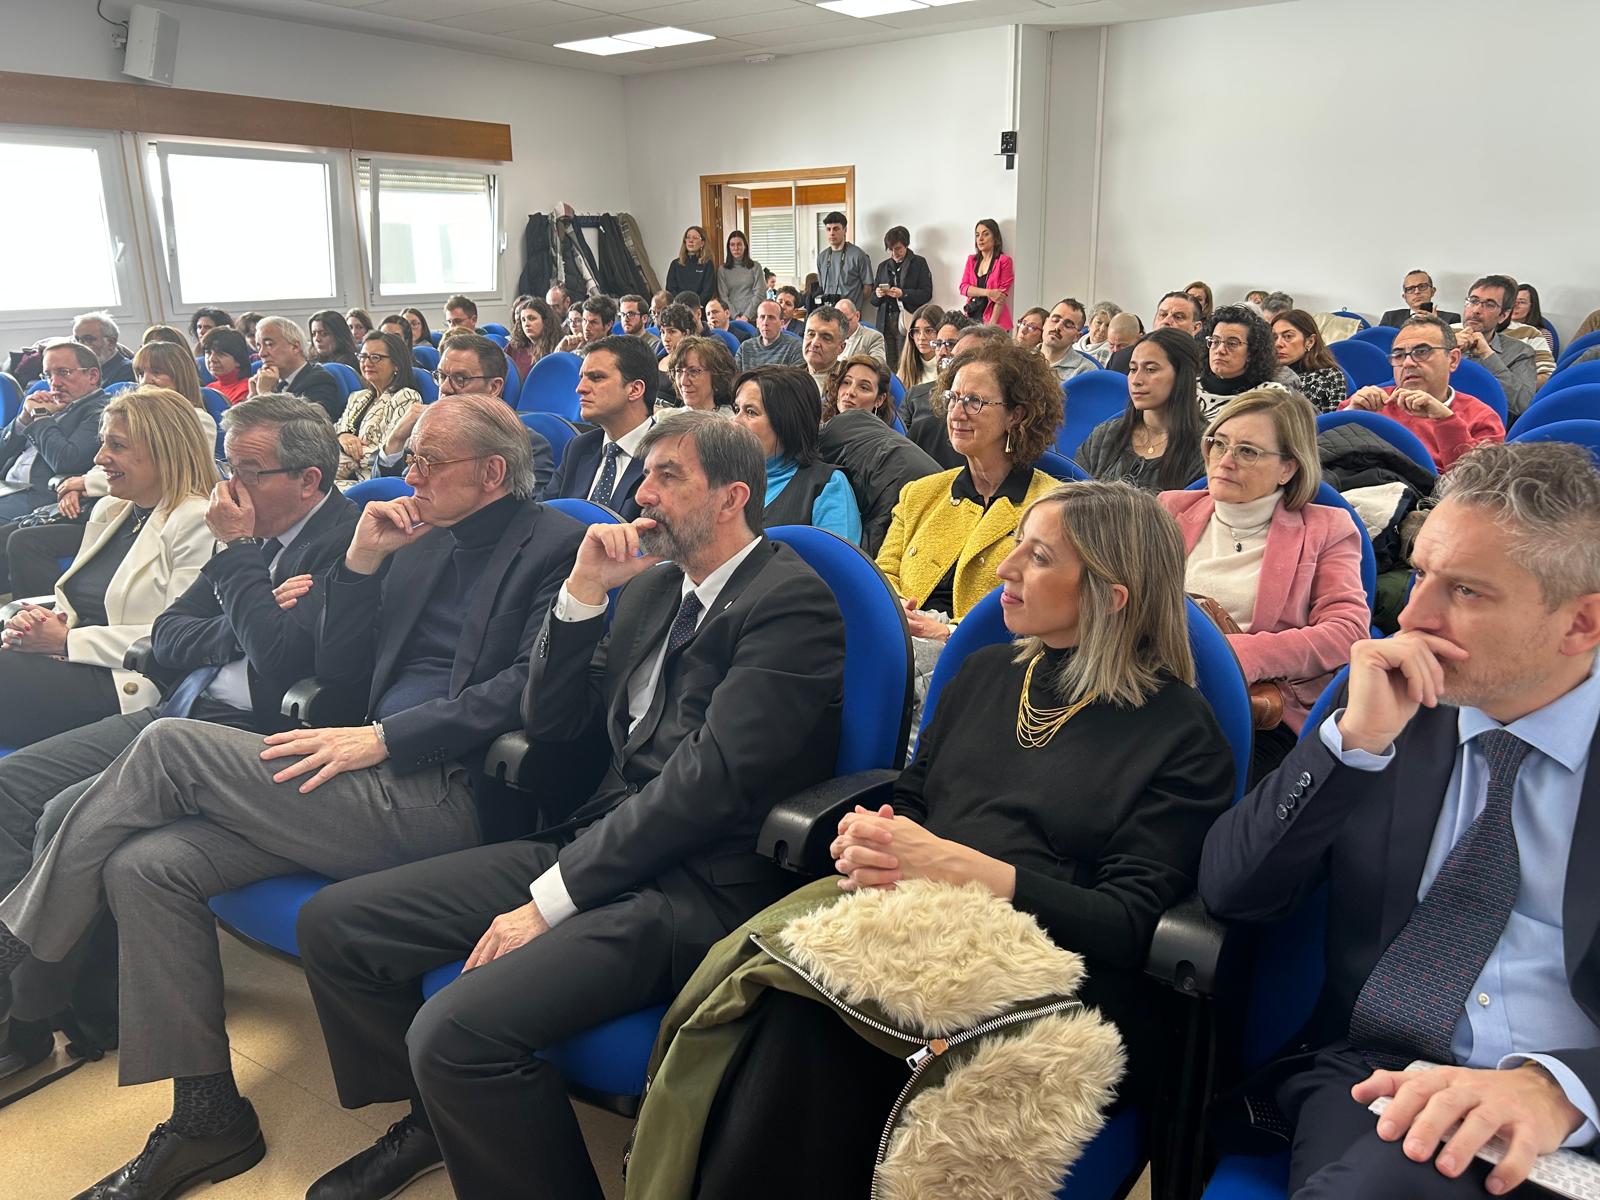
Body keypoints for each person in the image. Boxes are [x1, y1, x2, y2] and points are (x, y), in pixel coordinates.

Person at [0, 395, 586, 1199]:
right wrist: (362, 567)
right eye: (405, 457)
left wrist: (387, 738)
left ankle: (24, 956)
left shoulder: (556, 543)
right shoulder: (409, 536)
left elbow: (531, 689)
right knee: (147, 864)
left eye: (425, 462)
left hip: (448, 792)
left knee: (165, 741)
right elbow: (340, 679)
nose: (403, 475)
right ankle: (206, 1116)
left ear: (492, 473)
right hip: (355, 776)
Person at [295, 409, 847, 1199]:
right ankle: (434, 1120)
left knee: (454, 1033)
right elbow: (554, 725)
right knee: (338, 925)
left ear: (731, 498)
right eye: (642, 473)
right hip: (599, 839)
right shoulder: (656, 587)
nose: (641, 492)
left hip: (695, 883)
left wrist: (550, 901)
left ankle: (464, 1106)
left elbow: (709, 784)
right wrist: (582, 595)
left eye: (668, 477)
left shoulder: (790, 605)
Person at [641, 481, 1236, 1197]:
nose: (1007, 569)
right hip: (921, 930)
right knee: (787, 1011)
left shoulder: (1182, 733)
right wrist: (878, 839)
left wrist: (961, 869)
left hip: (1060, 972)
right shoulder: (988, 672)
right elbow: (916, 801)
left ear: (1111, 596)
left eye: (1038, 557)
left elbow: (1130, 924)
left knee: (819, 1043)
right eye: (1018, 544)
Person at [1200, 440, 1600, 1200]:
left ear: (1581, 624)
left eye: (1467, 593)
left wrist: (1560, 1090)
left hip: (1573, 1125)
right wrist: (1349, 749)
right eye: (1418, 575)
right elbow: (1230, 891)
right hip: (1381, 1084)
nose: (1412, 615)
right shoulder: (1396, 705)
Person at [0, 395, 358, 1079]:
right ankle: (38, 996)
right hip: (179, 707)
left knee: (61, 813)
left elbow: (283, 660)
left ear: (307, 479)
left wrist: (243, 561)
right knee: (12, 785)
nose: (231, 487)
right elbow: (168, 636)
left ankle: (29, 1014)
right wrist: (242, 611)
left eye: (249, 470)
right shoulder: (244, 530)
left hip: (250, 732)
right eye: (230, 465)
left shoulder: (343, 541)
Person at [1161, 389, 1370, 781]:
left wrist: (1236, 655)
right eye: (1217, 443)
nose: (1224, 461)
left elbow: (1347, 633)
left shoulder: (1326, 529)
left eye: (1247, 452)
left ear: (1288, 468)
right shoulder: (1170, 510)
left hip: (1256, 708)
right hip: (1157, 685)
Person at [0, 387, 217, 747]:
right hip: (75, 662)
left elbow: (178, 636)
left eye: (116, 446)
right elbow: (78, 600)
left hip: (128, 680)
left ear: (165, 452)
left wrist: (69, 641)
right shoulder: (113, 509)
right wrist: (43, 624)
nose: (100, 458)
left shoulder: (196, 520)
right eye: (103, 443)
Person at [877, 338, 1064, 641]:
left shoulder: (1051, 507)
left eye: (974, 401)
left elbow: (1042, 606)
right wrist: (897, 610)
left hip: (988, 656)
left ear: (1016, 415)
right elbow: (884, 572)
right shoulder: (920, 493)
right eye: (953, 398)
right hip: (899, 639)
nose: (956, 413)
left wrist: (951, 632)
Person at [22, 342, 217, 594]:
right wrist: (79, 485)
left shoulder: (194, 421)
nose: (146, 380)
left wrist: (83, 484)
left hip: (155, 505)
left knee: (25, 542)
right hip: (119, 504)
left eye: (156, 372)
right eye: (140, 373)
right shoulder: (109, 506)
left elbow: (175, 625)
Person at [376, 334, 554, 491]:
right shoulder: (422, 433)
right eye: (441, 376)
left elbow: (524, 520)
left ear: (494, 387)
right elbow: (383, 493)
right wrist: (396, 440)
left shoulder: (528, 447)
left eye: (460, 379)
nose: (445, 388)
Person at [1342, 314, 1505, 471]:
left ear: (1453, 359)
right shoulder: (1368, 404)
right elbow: (1324, 453)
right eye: (1398, 355)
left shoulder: (1481, 418)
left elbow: (1478, 484)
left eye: (1421, 352)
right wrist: (1350, 415)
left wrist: (1445, 420)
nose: (1407, 363)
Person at [734, 365, 862, 543]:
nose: (735, 422)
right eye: (736, 409)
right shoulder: (724, 478)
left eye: (750, 412)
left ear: (787, 422)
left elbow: (837, 567)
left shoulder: (827, 485)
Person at [1076, 327, 1207, 492]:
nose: (1136, 380)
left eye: (1150, 369)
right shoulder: (1105, 436)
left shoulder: (1206, 449)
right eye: (1133, 369)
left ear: (1182, 375)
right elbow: (1071, 500)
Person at [541, 336, 655, 519]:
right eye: (582, 378)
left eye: (596, 378)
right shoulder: (578, 448)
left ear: (634, 390)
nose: (580, 388)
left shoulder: (667, 457)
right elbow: (543, 517)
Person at [0, 340, 112, 523]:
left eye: (63, 373)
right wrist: (23, 420)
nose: (54, 383)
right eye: (48, 375)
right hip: (7, 487)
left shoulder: (102, 410)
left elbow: (66, 461)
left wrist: (41, 416)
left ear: (92, 376)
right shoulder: (49, 404)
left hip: (38, 496)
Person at [335, 332, 421, 481]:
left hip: (372, 480)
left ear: (396, 364)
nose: (367, 363)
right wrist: (343, 436)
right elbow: (333, 431)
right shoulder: (358, 397)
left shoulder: (406, 397)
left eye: (376, 357)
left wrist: (345, 454)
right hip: (340, 475)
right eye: (363, 356)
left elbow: (390, 453)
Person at [1453, 275, 1539, 418]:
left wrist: (1488, 355)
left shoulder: (1521, 352)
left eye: (1490, 305)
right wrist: (1446, 351)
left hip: (1489, 430)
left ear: (1503, 316)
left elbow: (1523, 405)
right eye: (1473, 301)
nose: (1476, 310)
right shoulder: (1441, 342)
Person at [1199, 304, 1298, 419]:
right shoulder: (1188, 386)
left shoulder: (1272, 397)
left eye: (1232, 343)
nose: (1220, 350)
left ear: (1252, 352)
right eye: (1215, 341)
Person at [249, 316, 346, 422]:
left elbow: (305, 428)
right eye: (259, 347)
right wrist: (252, 397)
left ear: (295, 347)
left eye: (269, 344)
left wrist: (265, 394)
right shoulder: (270, 381)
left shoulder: (319, 380)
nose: (261, 353)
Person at [872, 226, 934, 369]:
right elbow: (873, 301)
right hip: (885, 321)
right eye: (891, 249)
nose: (895, 253)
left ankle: (906, 391)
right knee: (887, 365)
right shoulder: (883, 266)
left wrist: (903, 294)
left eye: (898, 248)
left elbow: (927, 293)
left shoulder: (918, 263)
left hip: (907, 319)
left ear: (906, 245)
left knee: (905, 363)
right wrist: (878, 294)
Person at [1107, 291, 1204, 374]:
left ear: (1195, 328)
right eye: (1163, 315)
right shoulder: (1121, 359)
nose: (1166, 321)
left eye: (1178, 317)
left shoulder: (1205, 366)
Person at [1273, 308, 1349, 413]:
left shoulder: (1328, 377)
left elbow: (1331, 424)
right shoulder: (1264, 374)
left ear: (1310, 341)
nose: (1278, 344)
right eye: (1274, 337)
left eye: (1288, 336)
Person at [958, 218, 1015, 329]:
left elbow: (1001, 296)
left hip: (994, 319)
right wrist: (989, 292)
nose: (980, 239)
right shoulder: (972, 260)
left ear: (995, 237)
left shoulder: (1004, 261)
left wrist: (992, 325)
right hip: (972, 316)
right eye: (977, 235)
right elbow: (964, 288)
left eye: (986, 234)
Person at [815, 211, 872, 311]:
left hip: (850, 314)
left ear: (845, 230)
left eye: (836, 229)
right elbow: (821, 286)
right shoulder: (821, 257)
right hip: (828, 312)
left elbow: (868, 288)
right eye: (828, 229)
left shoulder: (858, 255)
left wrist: (854, 304)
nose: (832, 233)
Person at [666, 335, 736, 412]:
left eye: (693, 371)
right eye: (679, 371)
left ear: (717, 376)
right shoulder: (663, 418)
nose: (683, 382)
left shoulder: (731, 422)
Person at [822, 354, 895, 426]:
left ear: (879, 400)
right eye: (846, 382)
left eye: (863, 387)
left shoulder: (885, 437)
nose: (850, 392)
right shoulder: (819, 428)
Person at [735, 299, 804, 370]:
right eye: (762, 317)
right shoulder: (744, 347)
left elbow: (797, 379)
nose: (765, 322)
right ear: (757, 323)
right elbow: (735, 378)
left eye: (771, 318)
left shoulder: (795, 347)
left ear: (782, 323)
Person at [1379, 269, 1461, 327]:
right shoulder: (1390, 317)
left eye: (1422, 286)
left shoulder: (1451, 318)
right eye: (1410, 289)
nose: (1417, 292)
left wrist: (1436, 324)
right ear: (1404, 297)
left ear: (1432, 291)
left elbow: (1451, 345)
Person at [1039, 297, 1096, 382]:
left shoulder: (1086, 372)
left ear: (1077, 336)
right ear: (1045, 323)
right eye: (1055, 320)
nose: (1058, 327)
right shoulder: (1022, 358)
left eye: (1068, 325)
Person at [72, 311, 134, 388]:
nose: (80, 346)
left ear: (111, 343)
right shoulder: (81, 371)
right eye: (77, 340)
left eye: (88, 340)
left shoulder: (127, 371)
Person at [654, 304, 699, 406]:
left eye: (672, 332)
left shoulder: (694, 365)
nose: (666, 338)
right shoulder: (656, 360)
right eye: (662, 332)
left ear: (686, 333)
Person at [895, 302, 945, 395]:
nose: (921, 337)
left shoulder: (950, 368)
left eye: (929, 331)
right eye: (916, 331)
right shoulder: (904, 370)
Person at [506, 296, 559, 378]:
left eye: (532, 318)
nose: (526, 324)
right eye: (523, 320)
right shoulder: (514, 346)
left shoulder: (558, 345)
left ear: (545, 321)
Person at [199, 327, 254, 406]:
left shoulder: (247, 389)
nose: (212, 359)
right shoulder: (209, 388)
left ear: (238, 360)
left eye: (220, 354)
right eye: (208, 353)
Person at [802, 305, 849, 395]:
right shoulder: (789, 378)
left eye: (826, 338)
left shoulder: (847, 382)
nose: (815, 343)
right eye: (811, 334)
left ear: (841, 347)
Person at [717, 230, 763, 321]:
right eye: (732, 245)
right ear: (728, 247)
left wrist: (747, 316)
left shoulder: (755, 267)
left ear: (745, 246)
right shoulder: (722, 270)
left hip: (753, 317)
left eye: (739, 244)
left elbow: (760, 293)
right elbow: (723, 297)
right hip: (731, 319)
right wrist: (736, 317)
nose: (736, 248)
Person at [665, 225, 716, 306]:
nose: (690, 241)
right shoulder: (675, 264)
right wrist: (682, 306)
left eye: (695, 238)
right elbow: (670, 290)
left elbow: (707, 291)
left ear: (702, 243)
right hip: (678, 309)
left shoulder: (707, 264)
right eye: (688, 237)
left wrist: (694, 307)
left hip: (699, 309)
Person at [835, 298, 886, 363]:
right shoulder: (830, 336)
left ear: (857, 316)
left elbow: (879, 364)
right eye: (838, 322)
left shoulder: (873, 337)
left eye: (847, 321)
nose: (842, 326)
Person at [1078, 300, 1123, 364]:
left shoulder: (1113, 353)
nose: (1102, 329)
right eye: (1099, 322)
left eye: (1108, 325)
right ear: (1090, 323)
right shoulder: (1073, 345)